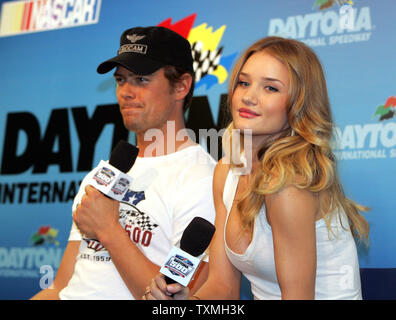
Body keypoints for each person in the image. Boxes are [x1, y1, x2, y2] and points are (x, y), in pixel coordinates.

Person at [145, 36, 370, 300]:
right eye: (244, 83)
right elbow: (222, 288)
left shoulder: (288, 186)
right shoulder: (226, 172)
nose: (249, 97)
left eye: (270, 88)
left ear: (298, 103)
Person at [31, 26, 216, 300]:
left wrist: (109, 230)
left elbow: (177, 299)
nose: (125, 92)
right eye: (120, 80)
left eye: (141, 79)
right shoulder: (103, 174)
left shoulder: (204, 178)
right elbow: (61, 287)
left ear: (181, 86)